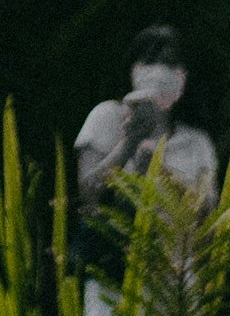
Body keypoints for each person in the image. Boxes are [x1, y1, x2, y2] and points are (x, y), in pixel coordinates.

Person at [77, 29, 220, 210]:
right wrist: (128, 144)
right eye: (150, 61)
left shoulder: (197, 142)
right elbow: (88, 196)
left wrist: (159, 172)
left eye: (169, 63)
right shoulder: (106, 116)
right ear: (133, 70)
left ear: (183, 77)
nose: (159, 71)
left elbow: (207, 216)